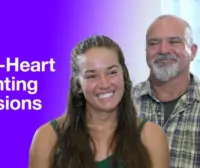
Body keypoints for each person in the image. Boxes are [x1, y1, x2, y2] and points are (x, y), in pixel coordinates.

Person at [29, 35, 169, 168]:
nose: (104, 84)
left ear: (124, 76)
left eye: (112, 72)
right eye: (92, 76)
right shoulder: (47, 137)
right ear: (77, 85)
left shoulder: (152, 137)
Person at [132, 15, 200, 168]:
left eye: (174, 41)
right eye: (154, 43)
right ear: (146, 51)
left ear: (193, 51)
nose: (163, 50)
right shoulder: (123, 103)